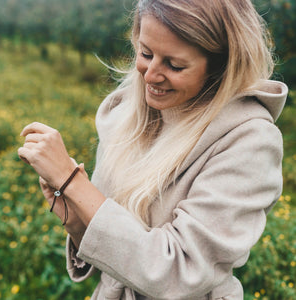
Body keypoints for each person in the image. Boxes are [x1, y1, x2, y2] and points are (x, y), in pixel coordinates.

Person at [18, 0, 288, 299]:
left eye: (174, 65)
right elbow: (119, 245)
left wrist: (72, 181)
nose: (150, 75)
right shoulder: (126, 114)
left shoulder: (248, 143)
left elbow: (178, 271)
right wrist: (77, 219)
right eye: (146, 53)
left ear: (221, 67)